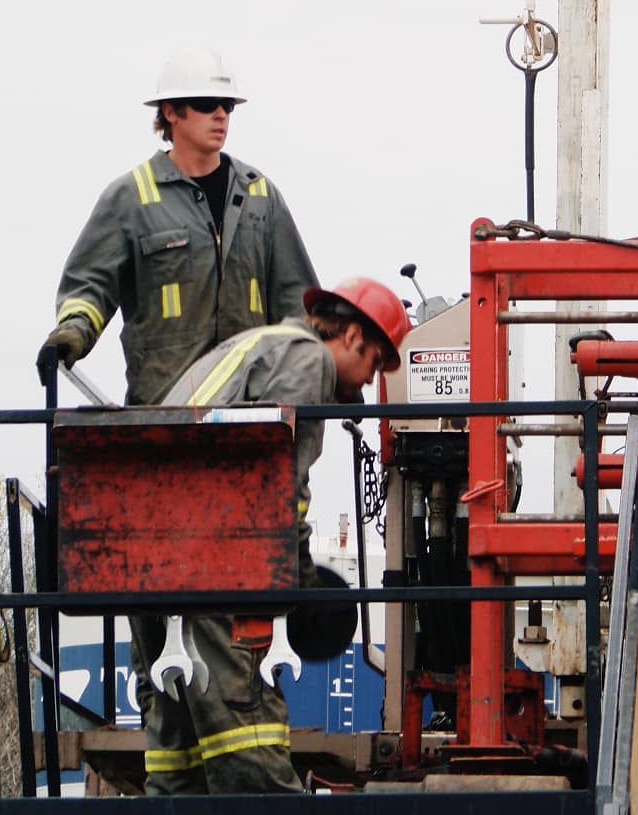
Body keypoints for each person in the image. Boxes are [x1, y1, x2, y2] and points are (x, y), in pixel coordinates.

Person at [132, 277, 410, 794]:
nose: (369, 382)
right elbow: (279, 483)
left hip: (147, 551)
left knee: (179, 744)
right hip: (207, 555)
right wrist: (301, 584)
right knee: (247, 731)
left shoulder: (260, 345)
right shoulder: (308, 362)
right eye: (374, 362)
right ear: (351, 336)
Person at [37, 47, 318, 406]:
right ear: (170, 111)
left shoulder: (259, 196)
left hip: (252, 415)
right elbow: (89, 283)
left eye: (227, 106)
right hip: (165, 413)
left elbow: (298, 303)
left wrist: (328, 367)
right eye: (206, 104)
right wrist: (72, 331)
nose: (220, 116)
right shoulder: (131, 199)